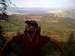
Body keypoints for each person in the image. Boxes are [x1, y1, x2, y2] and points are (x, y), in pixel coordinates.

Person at [2, 20, 66, 56]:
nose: (28, 26)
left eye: (30, 25)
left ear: (35, 28)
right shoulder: (21, 37)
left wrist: (62, 52)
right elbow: (9, 40)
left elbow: (54, 41)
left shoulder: (40, 38)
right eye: (28, 25)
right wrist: (2, 53)